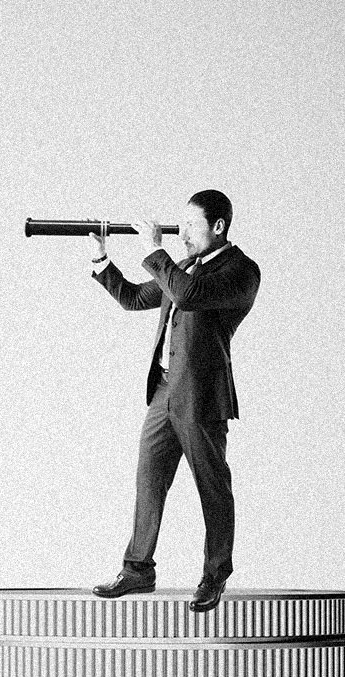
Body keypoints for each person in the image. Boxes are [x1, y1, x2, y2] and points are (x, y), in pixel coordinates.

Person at [89, 190, 260, 610]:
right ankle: (137, 570)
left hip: (202, 396)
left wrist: (153, 249)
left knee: (212, 486)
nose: (181, 233)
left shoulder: (241, 271)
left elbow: (189, 295)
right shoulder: (182, 268)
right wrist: (101, 258)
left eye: (191, 225)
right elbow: (134, 298)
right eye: (179, 225)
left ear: (218, 226)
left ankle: (215, 576)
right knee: (149, 478)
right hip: (165, 390)